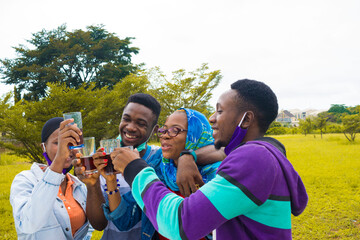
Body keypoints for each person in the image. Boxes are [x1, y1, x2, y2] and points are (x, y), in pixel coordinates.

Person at [112, 79, 309, 240]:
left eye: (220, 111)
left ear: (246, 120)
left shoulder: (254, 158)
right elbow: (223, 152)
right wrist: (188, 156)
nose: (212, 118)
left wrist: (134, 168)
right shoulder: (264, 154)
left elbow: (179, 222)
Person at [73, 93, 224, 239]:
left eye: (175, 130)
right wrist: (110, 180)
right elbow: (123, 221)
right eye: (165, 130)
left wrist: (188, 157)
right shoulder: (159, 169)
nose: (165, 135)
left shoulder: (218, 176)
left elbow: (227, 150)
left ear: (195, 134)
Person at [10, 117, 93, 240]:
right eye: (57, 143)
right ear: (43, 147)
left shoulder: (79, 185)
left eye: (71, 143)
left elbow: (88, 230)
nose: (65, 148)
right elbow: (28, 224)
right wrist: (59, 160)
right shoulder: (25, 180)